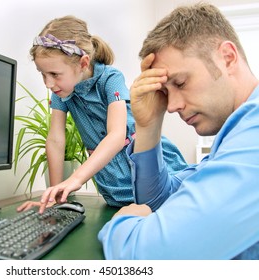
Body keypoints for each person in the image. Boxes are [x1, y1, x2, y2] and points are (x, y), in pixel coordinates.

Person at [98, 3, 259, 260]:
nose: (172, 106)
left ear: (227, 58)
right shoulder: (233, 140)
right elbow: (159, 198)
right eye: (165, 92)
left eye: (181, 83)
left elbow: (150, 255)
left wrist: (123, 223)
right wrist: (149, 124)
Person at [17, 15, 187, 214]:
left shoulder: (110, 78)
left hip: (148, 166)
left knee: (172, 210)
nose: (48, 83)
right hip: (114, 185)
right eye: (42, 74)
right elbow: (55, 140)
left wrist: (75, 179)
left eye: (54, 74)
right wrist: (55, 198)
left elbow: (116, 136)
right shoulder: (60, 92)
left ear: (83, 63)